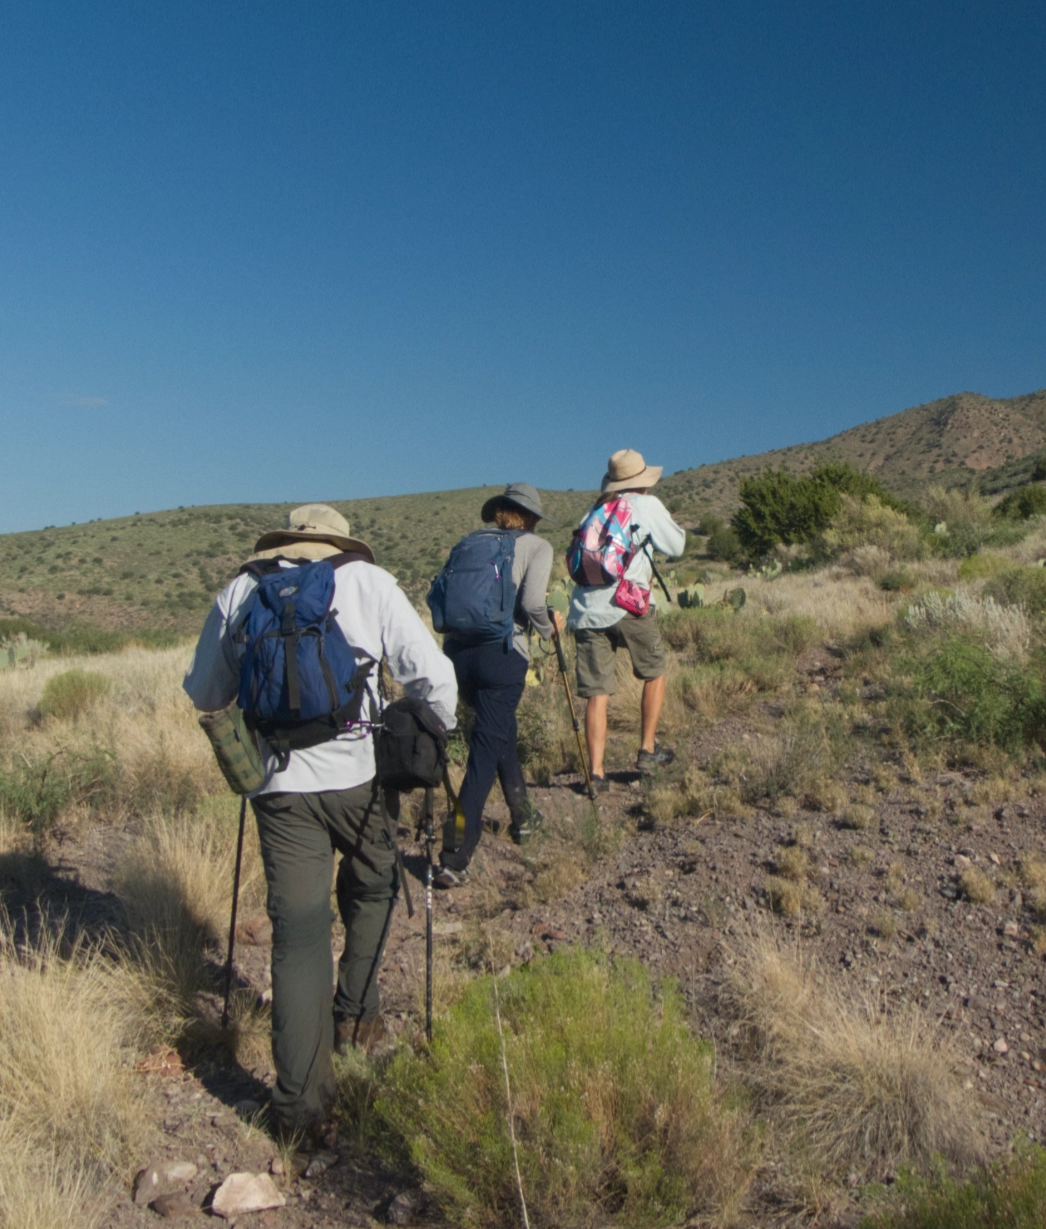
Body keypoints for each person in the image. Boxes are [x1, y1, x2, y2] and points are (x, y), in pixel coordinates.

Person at [183, 504, 457, 1139]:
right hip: (360, 778)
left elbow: (204, 692)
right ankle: (356, 1014)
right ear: (337, 541)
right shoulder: (369, 581)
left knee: (299, 937)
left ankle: (300, 1110)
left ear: (286, 544)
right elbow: (434, 679)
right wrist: (424, 733)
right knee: (377, 884)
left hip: (278, 789)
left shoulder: (242, 590)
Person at [430, 483, 559, 887]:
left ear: (500, 512)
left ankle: (523, 817)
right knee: (484, 753)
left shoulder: (469, 543)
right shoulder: (536, 547)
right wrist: (549, 630)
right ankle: (455, 852)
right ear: (532, 517)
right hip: (502, 655)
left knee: (498, 732)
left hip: (458, 655)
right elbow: (535, 603)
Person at [567, 450, 686, 788]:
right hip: (629, 603)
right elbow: (677, 545)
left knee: (597, 692)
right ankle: (648, 751)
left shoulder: (593, 510)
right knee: (655, 672)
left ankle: (596, 773)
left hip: (588, 610)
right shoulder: (646, 506)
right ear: (642, 481)